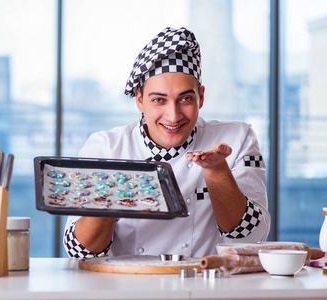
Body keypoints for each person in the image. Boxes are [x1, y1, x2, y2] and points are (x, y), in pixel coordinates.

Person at [63, 27, 270, 259]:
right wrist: (114, 195)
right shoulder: (104, 148)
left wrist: (217, 171)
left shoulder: (237, 139)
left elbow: (252, 237)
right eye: (159, 100)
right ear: (140, 100)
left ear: (201, 96)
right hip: (126, 288)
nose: (173, 116)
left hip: (205, 286)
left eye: (185, 99)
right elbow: (78, 250)